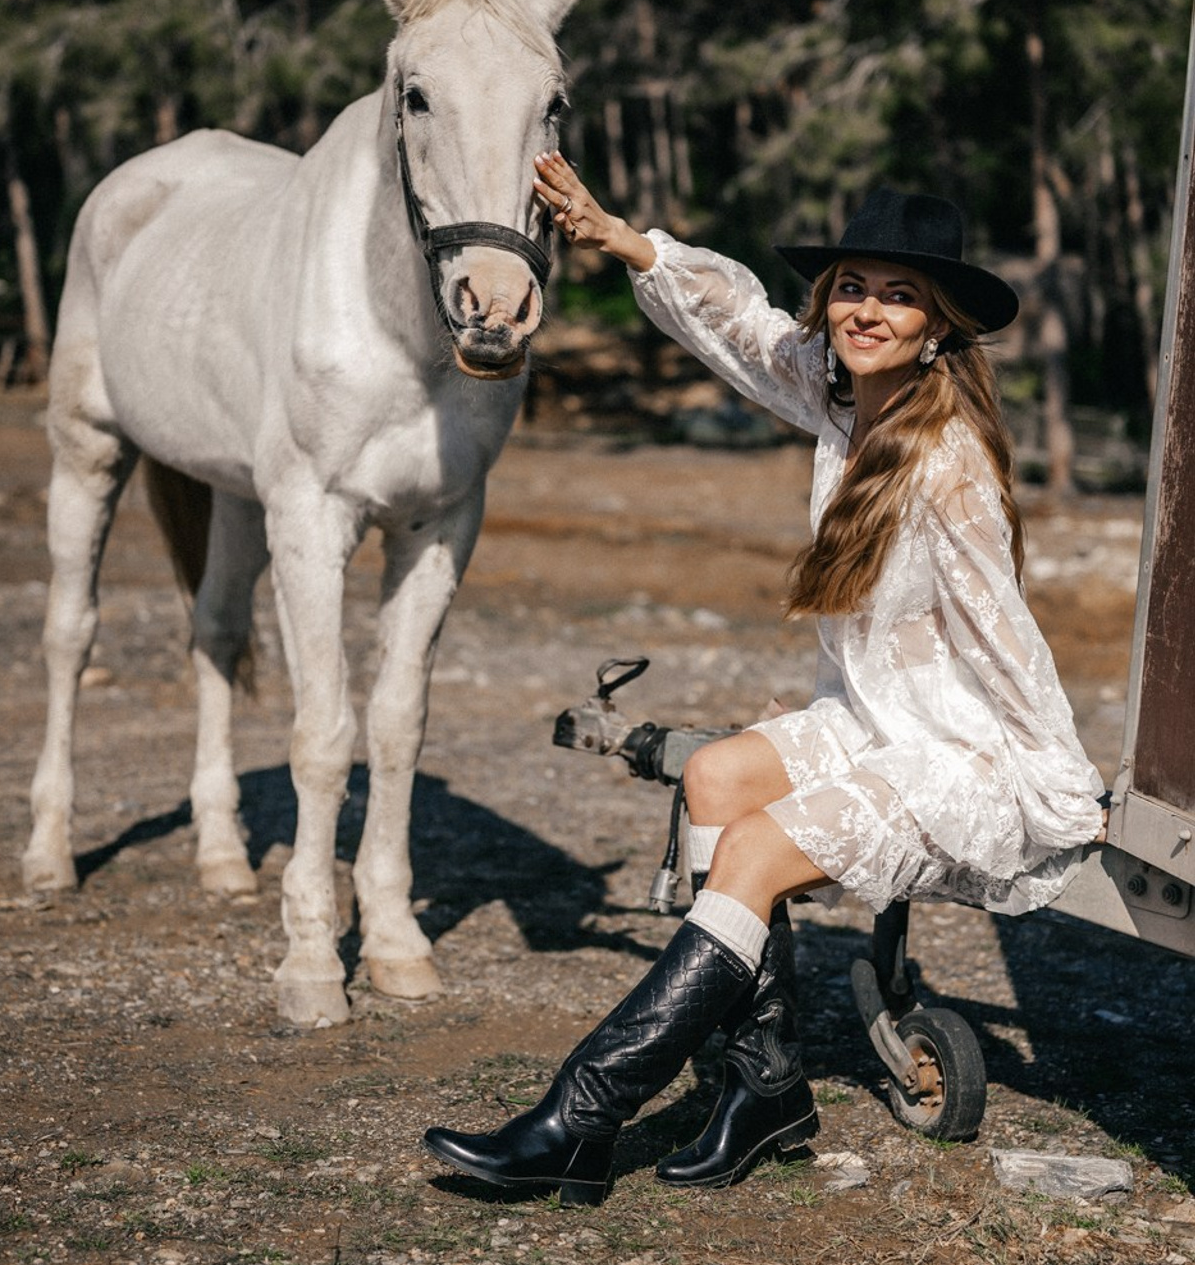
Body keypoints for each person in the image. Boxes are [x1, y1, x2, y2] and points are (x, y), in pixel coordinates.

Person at [422, 155, 1107, 1207]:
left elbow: (1003, 632)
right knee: (715, 778)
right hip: (866, 716)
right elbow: (739, 325)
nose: (866, 310)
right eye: (852, 285)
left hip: (948, 746)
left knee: (745, 849)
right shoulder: (838, 396)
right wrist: (623, 239)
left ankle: (579, 1115)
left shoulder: (946, 454)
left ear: (939, 326)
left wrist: (1058, 786)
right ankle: (768, 1086)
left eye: (898, 294)